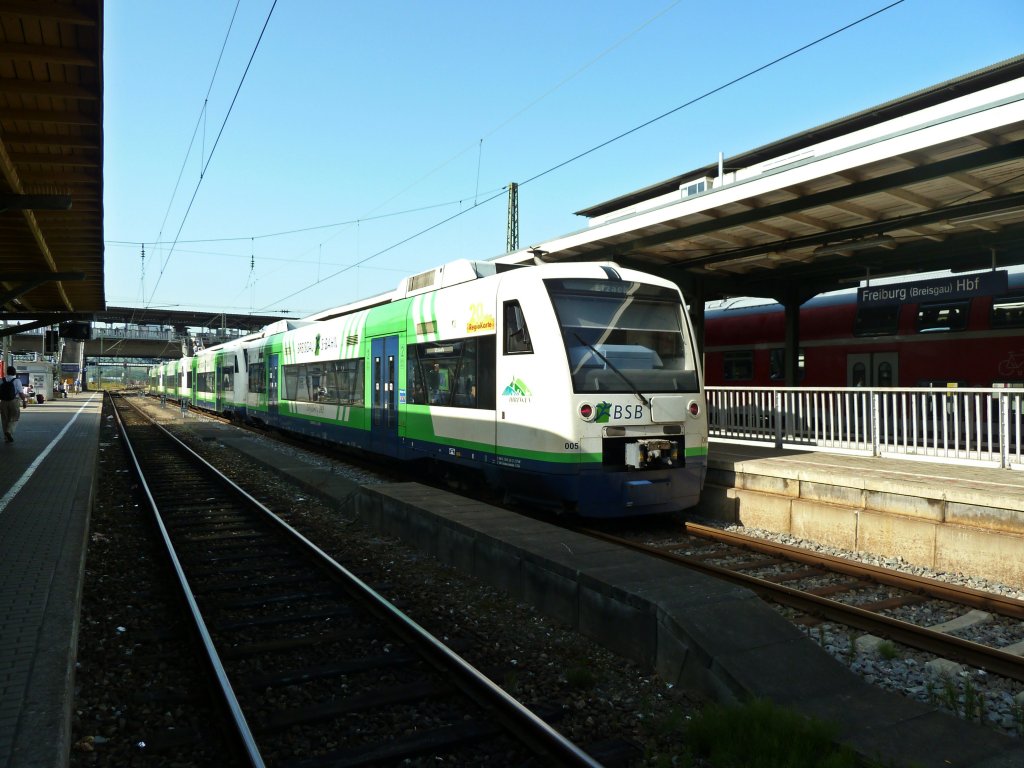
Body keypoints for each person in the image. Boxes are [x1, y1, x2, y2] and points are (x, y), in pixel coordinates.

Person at [1, 366, 27, 442]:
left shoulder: (2, 380)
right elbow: (21, 393)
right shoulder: (17, 381)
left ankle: (6, 438)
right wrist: (24, 401)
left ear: (7, 372)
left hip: (3, 402)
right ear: (14, 372)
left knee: (4, 419)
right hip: (14, 401)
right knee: (15, 417)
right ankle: (9, 431)